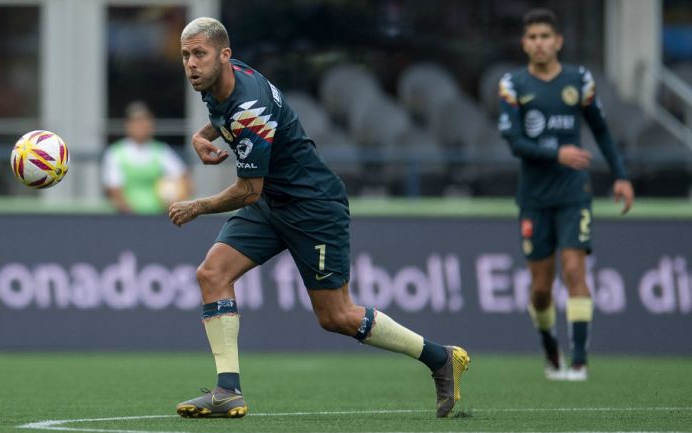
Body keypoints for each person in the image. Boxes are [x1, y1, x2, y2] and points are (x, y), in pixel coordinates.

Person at [168, 17, 470, 418]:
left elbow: (246, 190)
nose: (191, 63)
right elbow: (229, 120)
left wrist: (197, 206)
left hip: (313, 207)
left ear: (225, 55)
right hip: (273, 203)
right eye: (186, 55)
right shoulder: (223, 81)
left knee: (337, 316)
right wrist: (202, 135)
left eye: (199, 54)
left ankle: (440, 357)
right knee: (212, 274)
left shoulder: (250, 104)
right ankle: (228, 391)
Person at [498, 8, 634, 381]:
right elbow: (513, 142)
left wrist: (621, 176)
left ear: (558, 41)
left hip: (574, 192)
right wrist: (556, 153)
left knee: (575, 270)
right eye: (533, 37)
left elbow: (602, 131)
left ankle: (578, 361)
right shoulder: (513, 85)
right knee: (541, 289)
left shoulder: (580, 81)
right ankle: (549, 346)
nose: (540, 43)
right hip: (534, 197)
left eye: (546, 36)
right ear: (525, 44)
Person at [102, 101, 193, 214]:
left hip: (160, 217)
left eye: (145, 120)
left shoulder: (162, 151)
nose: (141, 125)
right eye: (136, 121)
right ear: (128, 125)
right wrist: (132, 215)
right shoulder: (115, 153)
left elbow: (184, 179)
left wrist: (174, 204)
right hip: (127, 218)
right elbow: (114, 190)